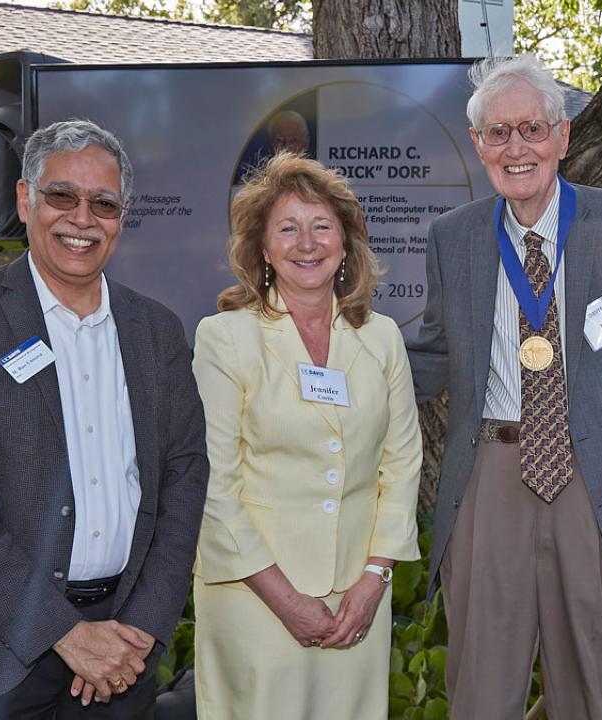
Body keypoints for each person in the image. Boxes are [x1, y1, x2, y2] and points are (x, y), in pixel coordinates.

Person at [405, 53, 602, 719]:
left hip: (595, 483)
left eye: (532, 129)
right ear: (478, 145)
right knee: (480, 693)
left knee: (589, 693)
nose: (516, 148)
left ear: (563, 136)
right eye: (498, 133)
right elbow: (428, 355)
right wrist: (336, 367)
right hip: (490, 479)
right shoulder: (453, 239)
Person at [0, 119, 208, 716]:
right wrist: (62, 632)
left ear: (124, 216)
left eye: (104, 203)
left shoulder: (157, 331)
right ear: (25, 199)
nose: (82, 218)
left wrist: (143, 626)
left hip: (122, 648)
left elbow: (185, 475)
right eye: (62, 195)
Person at [190, 152, 421, 720]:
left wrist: (374, 579)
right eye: (288, 229)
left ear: (345, 244)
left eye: (322, 226)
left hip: (357, 601)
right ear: (263, 249)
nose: (307, 243)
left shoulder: (382, 338)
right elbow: (214, 485)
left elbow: (402, 465)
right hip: (255, 597)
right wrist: (286, 600)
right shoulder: (225, 339)